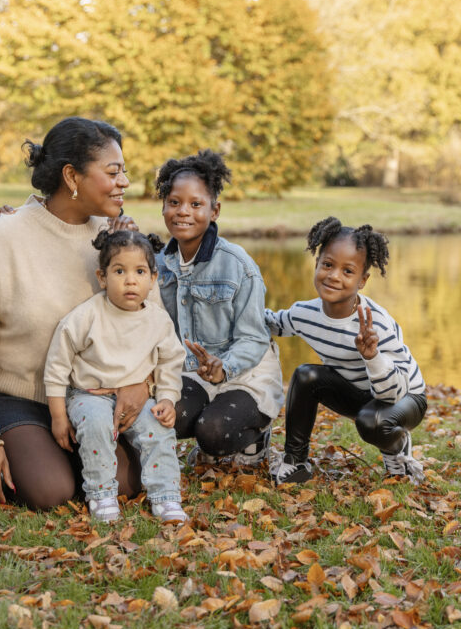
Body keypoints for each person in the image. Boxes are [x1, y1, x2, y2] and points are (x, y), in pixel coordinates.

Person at [0, 117, 150, 510]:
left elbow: (149, 325)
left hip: (90, 398)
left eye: (124, 170)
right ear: (71, 175)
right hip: (17, 397)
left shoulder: (116, 240)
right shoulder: (1, 237)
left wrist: (142, 382)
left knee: (129, 482)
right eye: (113, 172)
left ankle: (70, 458)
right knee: (50, 491)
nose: (124, 181)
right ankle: (31, 452)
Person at [266, 217, 427, 485]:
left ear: (362, 280)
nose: (334, 276)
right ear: (316, 263)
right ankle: (296, 461)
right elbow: (273, 322)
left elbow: (393, 392)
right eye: (327, 264)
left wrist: (372, 357)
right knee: (306, 375)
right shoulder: (304, 313)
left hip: (405, 398)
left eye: (347, 271)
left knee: (373, 423)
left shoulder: (376, 324)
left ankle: (397, 447)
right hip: (360, 393)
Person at [44, 230, 187, 523]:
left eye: (140, 271)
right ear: (102, 277)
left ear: (153, 279)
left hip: (137, 396)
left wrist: (169, 399)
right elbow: (57, 366)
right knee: (96, 424)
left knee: (159, 429)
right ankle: (101, 494)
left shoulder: (158, 320)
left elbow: (171, 362)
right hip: (89, 395)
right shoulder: (87, 316)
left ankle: (166, 497)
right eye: (119, 271)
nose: (130, 280)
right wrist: (58, 416)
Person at [155, 150, 282, 468]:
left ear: (215, 210)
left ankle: (255, 436)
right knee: (163, 413)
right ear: (163, 206)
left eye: (196, 204)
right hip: (194, 374)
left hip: (244, 374)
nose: (183, 212)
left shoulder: (238, 265)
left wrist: (224, 367)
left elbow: (254, 338)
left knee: (213, 432)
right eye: (174, 202)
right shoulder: (158, 266)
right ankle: (207, 418)